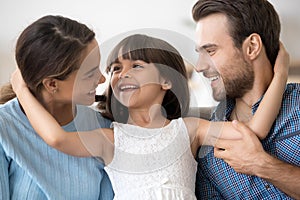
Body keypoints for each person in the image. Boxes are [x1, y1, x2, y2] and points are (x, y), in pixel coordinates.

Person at [11, 33, 288, 199]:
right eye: (116, 68)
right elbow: (57, 139)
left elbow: (255, 130)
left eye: (137, 65)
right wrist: (21, 88)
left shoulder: (190, 129)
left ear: (166, 81)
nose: (122, 74)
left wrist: (282, 73)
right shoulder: (111, 139)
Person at [192, 0, 300, 199]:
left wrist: (262, 165)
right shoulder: (207, 147)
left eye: (210, 51)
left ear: (252, 47)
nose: (199, 66)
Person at [0, 15, 114, 199]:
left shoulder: (102, 128)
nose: (101, 79)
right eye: (90, 73)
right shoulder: (5, 127)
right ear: (52, 84)